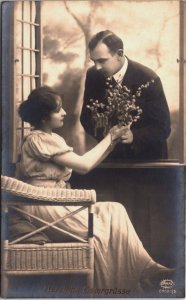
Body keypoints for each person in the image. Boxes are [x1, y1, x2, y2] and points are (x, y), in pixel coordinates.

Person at [16, 86, 174, 292]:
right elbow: (84, 166)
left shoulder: (53, 138)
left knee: (115, 209)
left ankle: (147, 268)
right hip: (44, 207)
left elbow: (87, 162)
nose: (64, 113)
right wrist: (109, 137)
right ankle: (116, 287)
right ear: (45, 117)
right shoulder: (38, 139)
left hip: (57, 200)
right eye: (58, 109)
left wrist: (113, 140)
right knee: (101, 232)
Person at [80, 30, 171, 161]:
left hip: (148, 160)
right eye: (94, 61)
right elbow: (86, 117)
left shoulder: (148, 78)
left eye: (102, 61)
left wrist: (134, 136)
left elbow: (163, 127)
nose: (97, 67)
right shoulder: (93, 75)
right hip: (111, 158)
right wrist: (107, 136)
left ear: (119, 54)